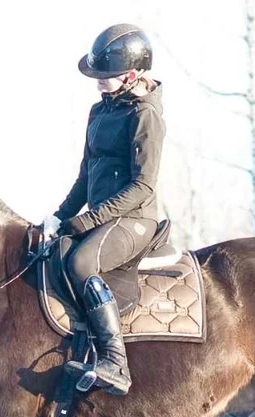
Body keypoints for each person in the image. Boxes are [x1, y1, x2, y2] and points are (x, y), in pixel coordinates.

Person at [42, 23, 165, 396]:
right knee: (57, 252)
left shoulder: (145, 115)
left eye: (105, 76)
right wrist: (59, 217)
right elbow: (85, 177)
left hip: (136, 220)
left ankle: (115, 362)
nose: (98, 83)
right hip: (104, 219)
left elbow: (143, 186)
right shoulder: (98, 112)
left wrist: (88, 220)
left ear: (131, 75)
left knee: (82, 263)